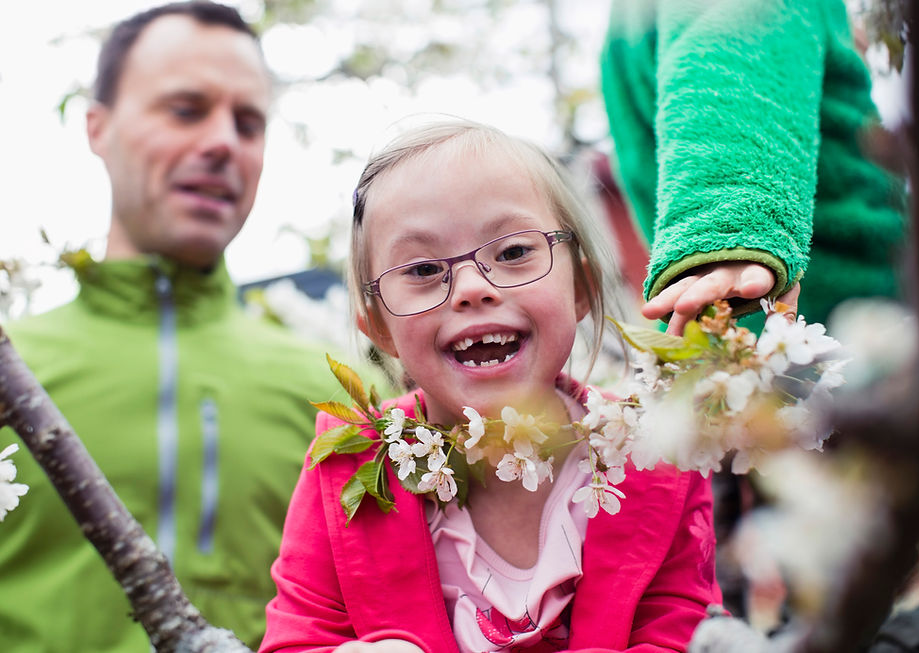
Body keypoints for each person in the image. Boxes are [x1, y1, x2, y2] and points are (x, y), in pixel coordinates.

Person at [259, 119, 723, 653]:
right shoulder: (348, 470)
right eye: (424, 268)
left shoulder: (653, 453)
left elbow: (682, 628)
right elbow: (300, 636)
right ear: (379, 325)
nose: (473, 289)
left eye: (512, 253)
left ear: (582, 287)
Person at [0, 3, 377, 650]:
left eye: (248, 122)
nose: (223, 142)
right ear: (98, 126)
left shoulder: (347, 397)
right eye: (185, 108)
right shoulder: (15, 368)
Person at [600, 0, 906, 335]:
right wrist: (726, 229)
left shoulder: (625, 27)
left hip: (723, 339)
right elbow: (732, 56)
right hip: (833, 325)